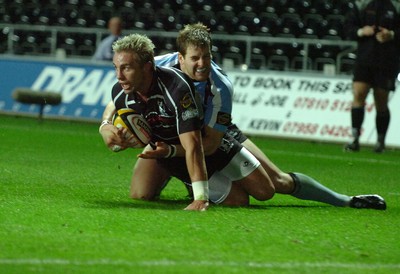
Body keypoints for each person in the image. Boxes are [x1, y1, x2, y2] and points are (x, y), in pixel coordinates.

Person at [153, 22, 387, 210]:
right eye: (195, 58)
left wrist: (175, 152)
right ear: (181, 57)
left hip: (213, 135)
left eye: (207, 56)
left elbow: (212, 144)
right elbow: (128, 86)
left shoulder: (221, 86)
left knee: (276, 182)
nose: (202, 63)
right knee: (140, 193)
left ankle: (345, 200)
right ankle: (193, 183)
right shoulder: (160, 66)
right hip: (176, 136)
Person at [99, 33, 277, 211]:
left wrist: (201, 199)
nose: (119, 76)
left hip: (207, 140)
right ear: (181, 57)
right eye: (116, 68)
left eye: (126, 68)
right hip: (171, 154)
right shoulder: (124, 89)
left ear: (147, 67)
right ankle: (195, 182)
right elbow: (117, 108)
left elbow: (193, 144)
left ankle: (198, 184)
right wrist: (108, 129)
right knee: (237, 200)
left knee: (267, 191)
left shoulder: (178, 87)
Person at [344, 0, 400, 153]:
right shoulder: (361, 4)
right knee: (359, 94)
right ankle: (354, 139)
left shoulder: (396, 5)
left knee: (381, 101)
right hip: (364, 59)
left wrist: (392, 35)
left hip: (387, 61)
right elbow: (348, 27)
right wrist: (361, 31)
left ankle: (380, 142)